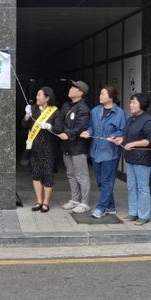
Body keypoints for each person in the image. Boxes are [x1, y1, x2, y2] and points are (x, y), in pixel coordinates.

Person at [81, 85, 126, 219]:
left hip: (110, 152)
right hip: (95, 151)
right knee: (100, 181)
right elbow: (91, 127)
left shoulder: (119, 113)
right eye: (100, 94)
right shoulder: (95, 111)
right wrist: (88, 132)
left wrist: (114, 136)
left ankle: (101, 207)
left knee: (107, 181)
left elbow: (122, 130)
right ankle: (111, 206)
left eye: (103, 94)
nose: (100, 96)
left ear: (111, 97)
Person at [114, 93, 151, 225]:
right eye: (130, 102)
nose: (130, 105)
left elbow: (150, 140)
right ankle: (133, 212)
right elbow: (126, 136)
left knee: (142, 187)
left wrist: (133, 144)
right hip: (131, 158)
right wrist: (120, 140)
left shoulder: (148, 121)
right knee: (131, 186)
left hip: (142, 159)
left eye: (134, 102)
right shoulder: (131, 119)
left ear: (142, 104)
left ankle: (144, 215)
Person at [22, 87, 65, 212]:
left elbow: (59, 128)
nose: (37, 97)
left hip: (48, 148)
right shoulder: (33, 109)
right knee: (36, 174)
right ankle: (38, 201)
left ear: (47, 98)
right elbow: (24, 125)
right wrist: (27, 115)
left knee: (47, 175)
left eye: (39, 95)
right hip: (34, 147)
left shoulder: (55, 111)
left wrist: (49, 126)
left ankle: (46, 202)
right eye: (37, 95)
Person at [59, 80, 91, 213]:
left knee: (81, 175)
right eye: (71, 87)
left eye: (74, 88)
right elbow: (60, 121)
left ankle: (85, 203)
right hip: (66, 146)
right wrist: (63, 131)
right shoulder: (66, 105)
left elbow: (81, 126)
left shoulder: (83, 108)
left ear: (80, 92)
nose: (70, 89)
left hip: (78, 147)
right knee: (71, 174)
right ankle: (75, 199)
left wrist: (68, 134)